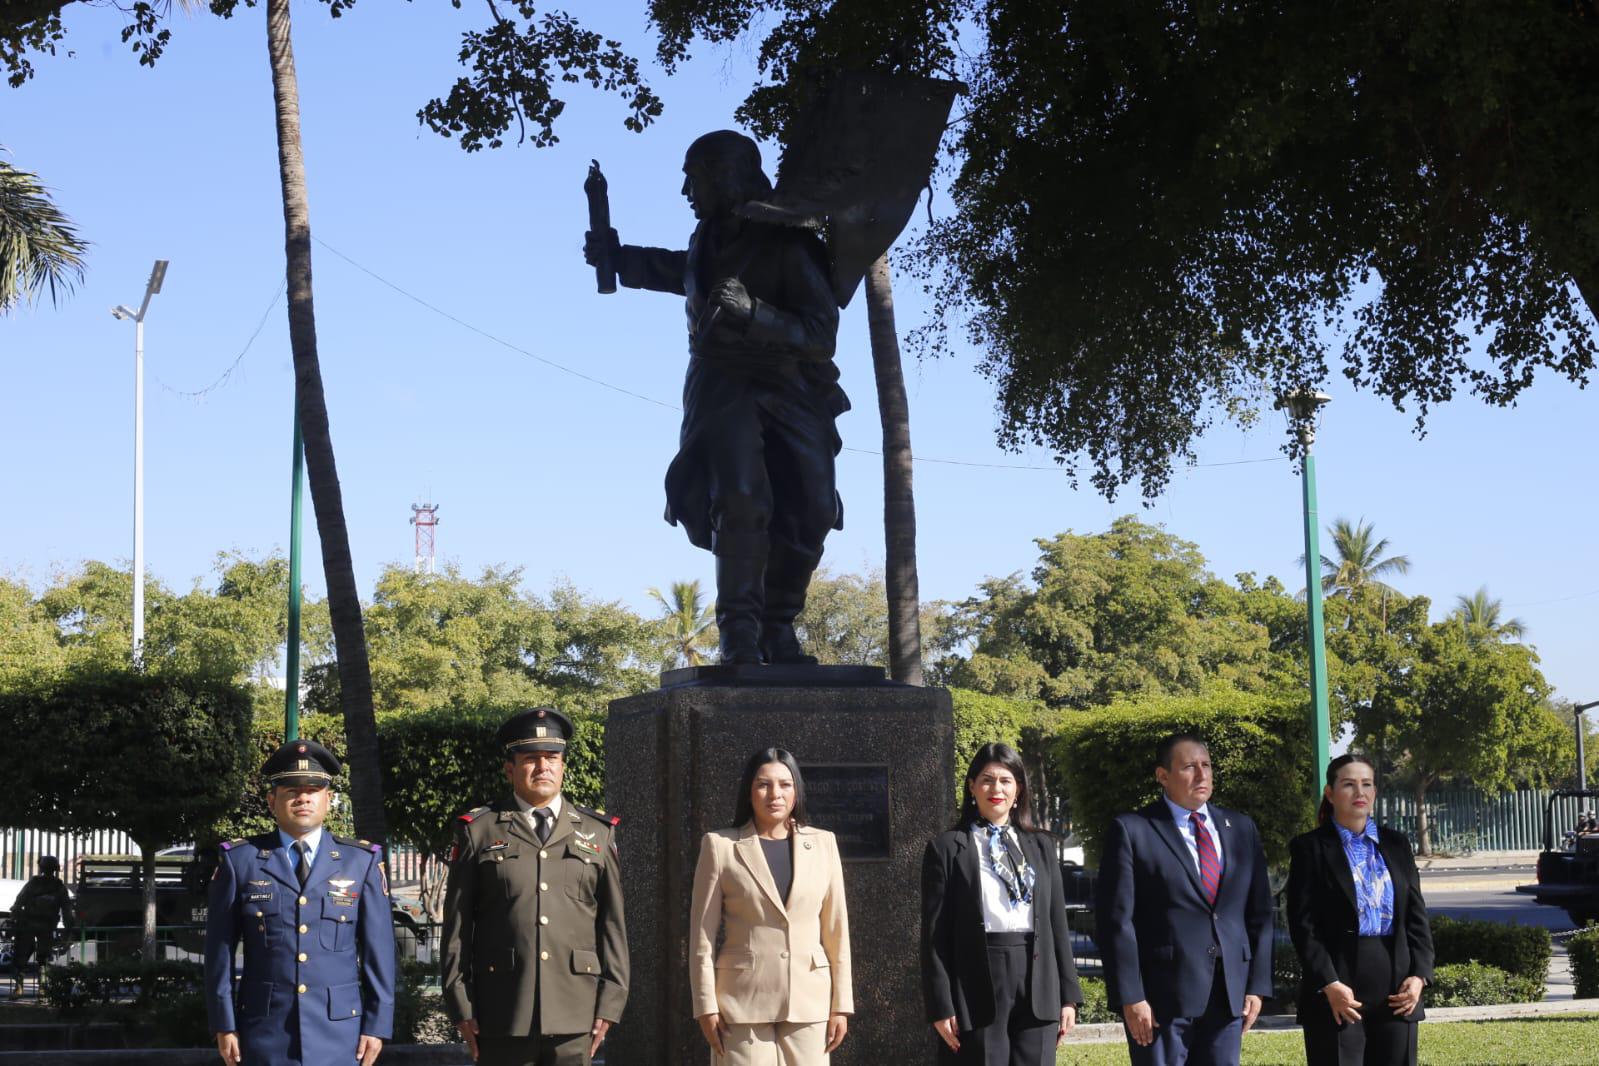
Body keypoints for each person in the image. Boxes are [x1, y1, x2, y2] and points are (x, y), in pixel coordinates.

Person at [583, 129, 846, 666]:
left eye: (694, 176)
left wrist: (756, 313)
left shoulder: (790, 242)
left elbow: (821, 336)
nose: (685, 190)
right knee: (741, 498)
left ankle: (778, 625)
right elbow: (679, 272)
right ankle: (740, 633)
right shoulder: (707, 239)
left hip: (789, 384)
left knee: (813, 506)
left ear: (729, 175)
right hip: (721, 383)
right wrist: (620, 258)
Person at [442, 707, 628, 1066]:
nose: (543, 767)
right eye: (531, 758)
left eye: (552, 758)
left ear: (563, 767)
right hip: (501, 1010)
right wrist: (460, 1004)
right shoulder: (479, 830)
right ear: (510, 768)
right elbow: (458, 927)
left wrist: (611, 1001)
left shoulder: (597, 831)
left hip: (576, 1010)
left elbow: (612, 924)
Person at [203, 739, 395, 1066]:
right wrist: (224, 1023)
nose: (303, 797)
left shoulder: (359, 861)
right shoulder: (241, 861)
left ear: (328, 799)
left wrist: (377, 1025)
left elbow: (379, 951)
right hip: (264, 1031)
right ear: (272, 801)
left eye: (313, 790)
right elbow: (218, 951)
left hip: (340, 1033)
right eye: (291, 790)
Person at [1095, 733, 1273, 1066]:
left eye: (1206, 765)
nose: (1202, 775)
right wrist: (1131, 996)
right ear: (1163, 776)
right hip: (1162, 1000)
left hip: (1228, 995)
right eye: (1190, 767)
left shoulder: (1241, 828)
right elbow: (1117, 921)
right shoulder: (1133, 829)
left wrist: (1257, 985)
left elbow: (1260, 913)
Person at [688, 748, 852, 1065]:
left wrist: (840, 1003)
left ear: (796, 791)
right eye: (763, 784)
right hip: (741, 1004)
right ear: (749, 791)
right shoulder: (720, 846)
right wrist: (705, 1004)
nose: (774, 794)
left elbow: (836, 930)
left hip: (809, 1001)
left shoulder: (823, 844)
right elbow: (702, 936)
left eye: (785, 784)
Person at [922, 743, 1081, 1065]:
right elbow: (934, 935)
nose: (997, 789)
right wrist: (941, 1005)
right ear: (972, 787)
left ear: (1018, 788)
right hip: (976, 981)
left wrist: (1069, 996)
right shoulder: (947, 848)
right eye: (987, 780)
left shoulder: (1042, 846)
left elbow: (1056, 925)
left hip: (1038, 979)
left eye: (1006, 781)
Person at [1286, 754, 1434, 1066]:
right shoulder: (1309, 848)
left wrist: (1420, 976)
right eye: (1349, 785)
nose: (1359, 793)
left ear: (1375, 792)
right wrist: (1329, 982)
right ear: (1330, 793)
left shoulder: (1397, 844)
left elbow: (1416, 918)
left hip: (1397, 988)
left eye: (1366, 784)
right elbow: (1303, 925)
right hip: (1337, 989)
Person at [9, 855, 72, 998]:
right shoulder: (60, 887)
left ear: (41, 867)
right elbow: (67, 911)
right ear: (56, 869)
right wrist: (68, 930)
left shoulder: (33, 884)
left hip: (27, 926)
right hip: (46, 927)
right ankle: (42, 989)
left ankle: (18, 988)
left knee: (21, 957)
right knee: (43, 959)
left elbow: (18, 903)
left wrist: (15, 921)